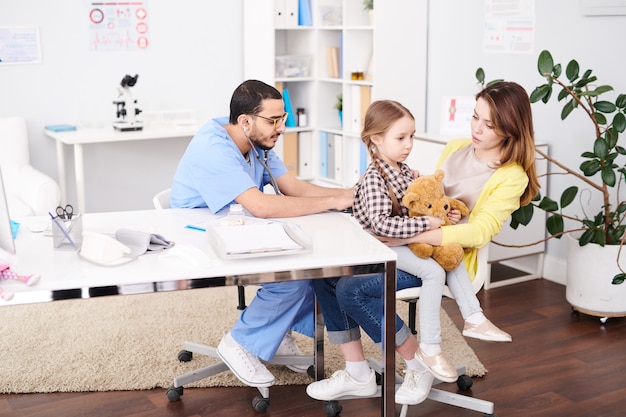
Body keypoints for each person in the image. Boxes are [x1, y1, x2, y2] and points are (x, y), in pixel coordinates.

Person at [307, 82, 540, 405]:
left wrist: (411, 232)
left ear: (511, 130)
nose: (477, 129)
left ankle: (419, 364)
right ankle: (358, 372)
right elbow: (429, 196)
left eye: (489, 125)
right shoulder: (458, 147)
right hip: (408, 242)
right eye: (475, 117)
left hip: (446, 259)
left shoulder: (512, 176)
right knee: (325, 273)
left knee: (351, 288)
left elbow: (479, 233)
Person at [169, 79, 353, 388]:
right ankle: (240, 342)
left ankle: (275, 333)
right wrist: (334, 202)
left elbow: (291, 186)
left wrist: (347, 194)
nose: (281, 127)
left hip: (237, 225)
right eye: (273, 120)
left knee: (315, 264)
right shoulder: (213, 147)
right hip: (197, 234)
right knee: (290, 278)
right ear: (245, 121)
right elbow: (262, 206)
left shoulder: (258, 141)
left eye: (282, 119)